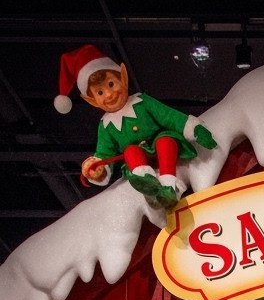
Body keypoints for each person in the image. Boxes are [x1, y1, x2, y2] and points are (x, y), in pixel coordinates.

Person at [54, 43, 217, 207]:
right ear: (91, 101)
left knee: (165, 140)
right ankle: (147, 183)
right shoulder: (106, 125)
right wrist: (98, 169)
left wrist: (193, 128)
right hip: (138, 159)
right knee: (130, 150)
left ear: (123, 77)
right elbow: (104, 152)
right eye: (100, 92)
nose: (109, 94)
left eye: (111, 84)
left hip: (161, 145)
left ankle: (169, 186)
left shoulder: (142, 101)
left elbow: (169, 116)